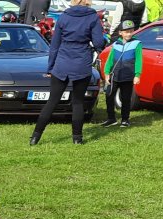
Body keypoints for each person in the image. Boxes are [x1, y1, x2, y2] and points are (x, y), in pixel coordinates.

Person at [30, 0, 106, 145]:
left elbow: (55, 44)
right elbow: (98, 43)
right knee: (78, 102)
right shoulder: (92, 17)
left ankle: (35, 136)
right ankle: (77, 138)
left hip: (62, 62)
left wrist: (50, 67)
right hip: (81, 62)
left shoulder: (64, 16)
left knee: (52, 101)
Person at [102, 19, 142, 127]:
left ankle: (125, 119)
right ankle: (111, 118)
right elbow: (110, 60)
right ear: (120, 32)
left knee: (125, 98)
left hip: (128, 76)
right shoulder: (115, 44)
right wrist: (107, 73)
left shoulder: (136, 44)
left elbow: (139, 60)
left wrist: (137, 75)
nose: (129, 34)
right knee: (109, 95)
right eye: (126, 31)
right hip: (114, 75)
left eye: (131, 31)